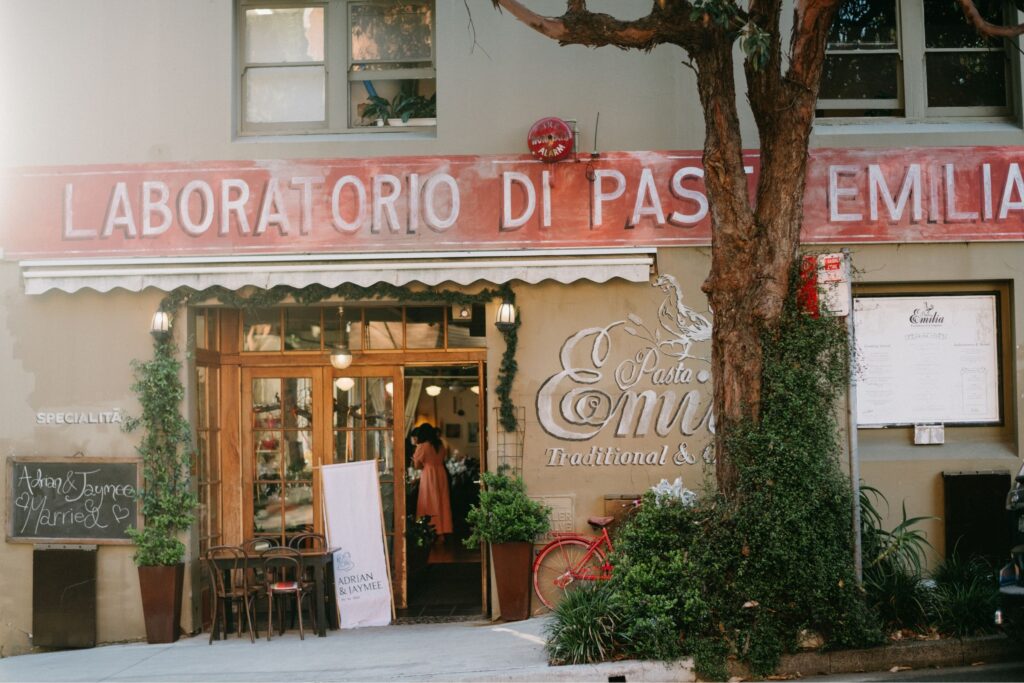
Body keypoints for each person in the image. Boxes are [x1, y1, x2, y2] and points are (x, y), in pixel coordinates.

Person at [411, 423, 453, 541]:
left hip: (429, 475)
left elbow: (417, 465)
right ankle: (442, 531)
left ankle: (428, 530)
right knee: (442, 501)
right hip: (441, 473)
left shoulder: (423, 446)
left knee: (429, 501)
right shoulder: (440, 445)